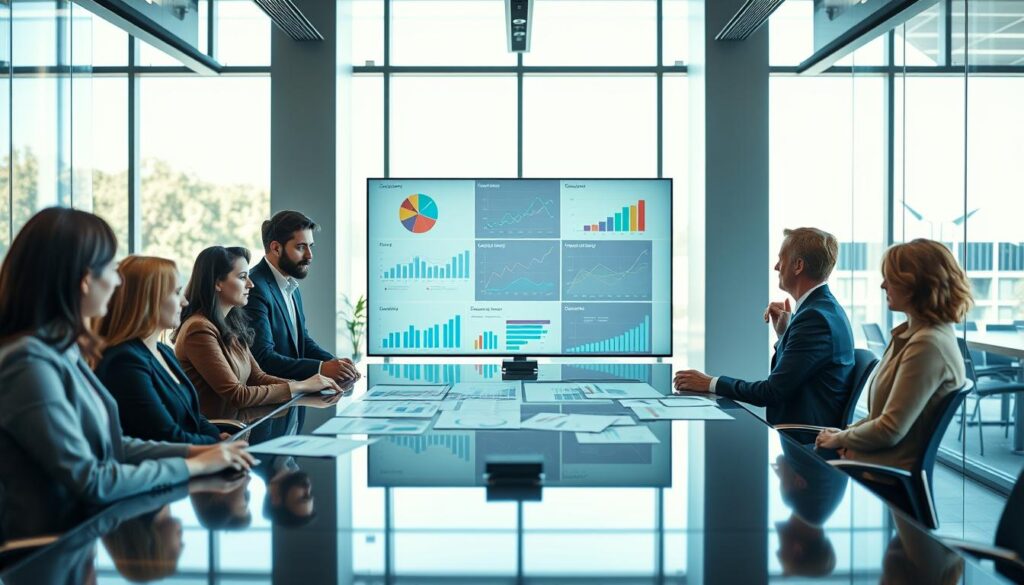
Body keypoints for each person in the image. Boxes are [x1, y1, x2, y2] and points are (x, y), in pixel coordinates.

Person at [0, 208, 254, 542]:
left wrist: (197, 453)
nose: (118, 281)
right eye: (110, 268)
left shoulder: (61, 353)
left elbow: (110, 445)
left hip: (82, 536)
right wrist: (194, 465)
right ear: (85, 279)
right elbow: (93, 479)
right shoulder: (28, 365)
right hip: (48, 548)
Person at [674, 227, 856, 427]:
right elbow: (795, 375)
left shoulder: (815, 319)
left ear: (798, 266)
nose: (776, 266)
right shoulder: (822, 309)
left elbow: (771, 392)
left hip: (802, 436)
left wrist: (709, 383)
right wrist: (784, 333)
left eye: (781, 259)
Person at [816, 239, 971, 470]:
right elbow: (879, 417)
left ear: (915, 284)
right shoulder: (913, 336)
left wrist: (840, 439)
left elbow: (889, 430)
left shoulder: (928, 345)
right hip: (867, 461)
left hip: (879, 472)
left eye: (889, 278)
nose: (883, 285)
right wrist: (844, 434)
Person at [173, 245, 341, 420]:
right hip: (218, 435)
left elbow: (257, 377)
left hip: (240, 428)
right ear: (217, 283)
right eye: (242, 277)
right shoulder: (198, 329)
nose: (251, 284)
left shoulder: (230, 323)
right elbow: (238, 395)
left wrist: (305, 385)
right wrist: (300, 387)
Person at [94, 256, 224, 445]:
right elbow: (165, 436)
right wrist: (216, 445)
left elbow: (193, 415)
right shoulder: (124, 361)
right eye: (177, 292)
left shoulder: (164, 351)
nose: (185, 302)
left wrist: (218, 436)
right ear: (148, 299)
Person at [245, 210, 358, 381]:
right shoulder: (254, 287)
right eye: (300, 247)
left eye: (310, 246)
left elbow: (302, 341)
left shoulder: (291, 285)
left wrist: (335, 363)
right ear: (276, 248)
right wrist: (322, 368)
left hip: (294, 398)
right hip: (272, 402)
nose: (309, 256)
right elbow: (264, 359)